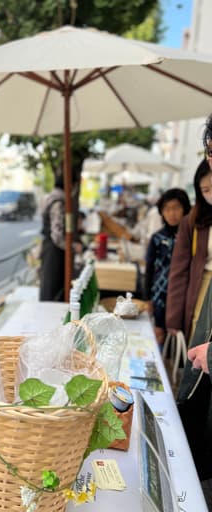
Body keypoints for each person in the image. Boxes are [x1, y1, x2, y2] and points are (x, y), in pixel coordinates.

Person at [166, 139, 212, 480]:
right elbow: (178, 273)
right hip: (201, 297)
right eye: (205, 188)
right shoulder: (195, 222)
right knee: (195, 366)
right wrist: (171, 321)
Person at [144, 188, 191, 346]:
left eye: (176, 208)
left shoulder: (191, 237)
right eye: (167, 209)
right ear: (162, 212)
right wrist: (147, 298)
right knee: (159, 333)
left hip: (181, 295)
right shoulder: (157, 238)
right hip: (159, 295)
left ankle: (174, 364)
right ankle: (161, 366)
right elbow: (149, 268)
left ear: (185, 208)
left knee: (178, 337)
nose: (172, 213)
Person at [39, 175, 67, 301]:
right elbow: (57, 235)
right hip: (54, 251)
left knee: (48, 285)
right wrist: (70, 247)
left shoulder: (50, 197)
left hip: (48, 247)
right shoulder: (58, 202)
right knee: (52, 287)